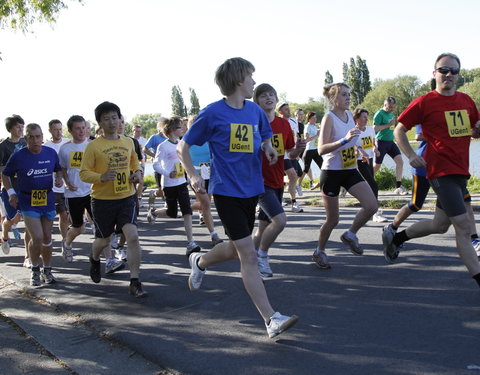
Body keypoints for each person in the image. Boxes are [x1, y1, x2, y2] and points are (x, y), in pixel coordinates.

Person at [177, 57, 299, 338]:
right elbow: (184, 147)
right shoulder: (212, 113)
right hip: (226, 192)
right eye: (251, 77)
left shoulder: (254, 111)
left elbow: (265, 136)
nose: (255, 82)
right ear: (237, 81)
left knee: (235, 249)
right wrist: (193, 176)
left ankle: (200, 262)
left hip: (253, 189)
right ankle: (271, 319)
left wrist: (268, 148)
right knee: (248, 254)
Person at [385, 52, 480, 288]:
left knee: (440, 224)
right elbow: (399, 130)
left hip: (460, 172)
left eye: (454, 71)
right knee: (464, 226)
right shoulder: (424, 102)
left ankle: (397, 237)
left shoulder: (466, 101)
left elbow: (474, 130)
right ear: (434, 73)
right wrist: (411, 155)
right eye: (444, 70)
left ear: (458, 75)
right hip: (439, 171)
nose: (449, 75)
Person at [79, 101, 147, 297]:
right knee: (104, 240)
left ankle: (135, 281)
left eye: (114, 117)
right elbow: (83, 173)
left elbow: (135, 163)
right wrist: (101, 177)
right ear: (99, 122)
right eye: (106, 119)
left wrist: (137, 173)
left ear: (120, 118)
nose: (111, 122)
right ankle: (94, 258)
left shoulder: (127, 142)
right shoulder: (94, 146)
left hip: (126, 196)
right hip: (102, 200)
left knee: (132, 236)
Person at [313, 83, 377, 269]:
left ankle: (350, 234)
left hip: (349, 169)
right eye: (343, 95)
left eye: (349, 94)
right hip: (332, 173)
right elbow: (321, 149)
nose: (348, 97)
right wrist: (345, 139)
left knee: (371, 206)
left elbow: (351, 140)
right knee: (333, 219)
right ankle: (319, 251)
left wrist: (359, 150)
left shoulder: (349, 115)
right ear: (334, 99)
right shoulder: (328, 118)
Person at [59, 115, 125, 273]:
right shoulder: (65, 149)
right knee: (78, 228)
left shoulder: (94, 145)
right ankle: (67, 243)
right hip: (74, 194)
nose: (81, 131)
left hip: (94, 192)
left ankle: (109, 260)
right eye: (77, 128)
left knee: (102, 227)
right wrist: (67, 182)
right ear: (70, 130)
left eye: (84, 128)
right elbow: (62, 169)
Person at [252, 83, 305, 277]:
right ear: (256, 101)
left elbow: (289, 153)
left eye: (272, 95)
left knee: (263, 227)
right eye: (263, 95)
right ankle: (262, 256)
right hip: (259, 181)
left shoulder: (284, 124)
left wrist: (299, 148)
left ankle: (247, 261)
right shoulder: (253, 123)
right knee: (280, 221)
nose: (269, 98)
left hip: (277, 180)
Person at [2, 123, 63, 286]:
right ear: (26, 138)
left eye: (38, 137)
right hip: (27, 201)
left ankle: (47, 269)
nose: (35, 140)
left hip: (47, 199)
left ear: (43, 137)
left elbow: (58, 169)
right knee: (37, 237)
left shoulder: (50, 153)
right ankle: (35, 269)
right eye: (31, 137)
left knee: (47, 237)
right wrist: (11, 193)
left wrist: (59, 178)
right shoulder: (19, 156)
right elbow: (5, 174)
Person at [147, 116, 202, 256]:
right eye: (180, 127)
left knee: (187, 210)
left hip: (181, 182)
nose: (183, 128)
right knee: (172, 213)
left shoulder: (182, 143)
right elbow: (155, 164)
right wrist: (167, 173)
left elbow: (185, 162)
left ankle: (191, 242)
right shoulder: (163, 146)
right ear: (171, 130)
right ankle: (154, 212)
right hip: (169, 184)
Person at [186, 115, 223, 247]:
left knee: (205, 204)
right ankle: (214, 235)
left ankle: (185, 208)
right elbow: (182, 159)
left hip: (210, 175)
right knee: (206, 205)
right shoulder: (187, 142)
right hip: (196, 177)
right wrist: (192, 174)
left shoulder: (209, 139)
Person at [353, 108, 387, 223]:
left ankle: (369, 208)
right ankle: (375, 212)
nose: (366, 119)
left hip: (370, 158)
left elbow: (373, 142)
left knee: (370, 184)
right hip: (360, 161)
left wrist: (375, 149)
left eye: (367, 117)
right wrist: (360, 151)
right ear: (357, 119)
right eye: (363, 117)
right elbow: (353, 145)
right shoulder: (354, 131)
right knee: (373, 184)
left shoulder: (369, 129)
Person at [0, 115, 27, 256]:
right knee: (12, 220)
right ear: (10, 128)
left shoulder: (26, 142)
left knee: (28, 218)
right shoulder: (3, 146)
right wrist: (10, 190)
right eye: (18, 126)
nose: (21, 129)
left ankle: (30, 255)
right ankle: (4, 237)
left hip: (26, 187)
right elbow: (2, 171)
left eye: (22, 126)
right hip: (10, 188)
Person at [373, 96, 408, 195]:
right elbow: (374, 128)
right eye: (390, 107)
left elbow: (392, 128)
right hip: (380, 142)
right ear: (385, 105)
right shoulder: (379, 114)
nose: (392, 109)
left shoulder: (391, 114)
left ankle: (398, 187)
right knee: (376, 167)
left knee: (400, 162)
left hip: (390, 142)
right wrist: (388, 125)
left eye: (393, 107)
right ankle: (360, 182)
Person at [44, 119, 70, 243]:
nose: (58, 132)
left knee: (65, 216)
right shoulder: (46, 147)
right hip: (52, 187)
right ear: (50, 131)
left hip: (68, 186)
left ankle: (65, 241)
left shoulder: (68, 143)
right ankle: (50, 241)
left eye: (60, 129)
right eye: (55, 129)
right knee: (51, 216)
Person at [277, 102, 304, 212]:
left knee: (294, 176)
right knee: (279, 178)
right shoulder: (276, 122)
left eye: (289, 109)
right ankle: (274, 200)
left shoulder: (293, 122)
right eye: (286, 109)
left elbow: (295, 136)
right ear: (280, 112)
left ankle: (293, 203)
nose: (289, 111)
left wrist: (296, 151)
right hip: (279, 154)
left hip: (289, 153)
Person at [143, 118, 167, 209]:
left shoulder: (169, 137)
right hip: (159, 166)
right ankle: (152, 195)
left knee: (169, 188)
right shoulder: (154, 137)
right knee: (161, 190)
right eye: (162, 126)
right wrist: (155, 156)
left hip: (168, 166)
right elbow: (145, 149)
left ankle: (168, 207)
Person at [298, 111, 323, 190]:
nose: (315, 119)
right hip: (309, 150)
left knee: (323, 166)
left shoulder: (315, 126)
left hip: (315, 150)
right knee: (306, 169)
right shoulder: (307, 127)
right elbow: (306, 139)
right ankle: (298, 185)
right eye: (313, 118)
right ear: (309, 119)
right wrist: (316, 135)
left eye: (315, 117)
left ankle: (322, 183)